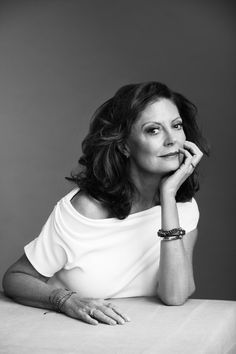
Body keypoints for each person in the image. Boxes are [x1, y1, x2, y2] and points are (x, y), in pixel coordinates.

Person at [2, 81, 209, 326]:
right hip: (68, 334)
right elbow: (15, 277)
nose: (172, 140)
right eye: (153, 130)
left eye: (176, 126)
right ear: (123, 145)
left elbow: (175, 296)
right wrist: (66, 300)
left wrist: (169, 195)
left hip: (141, 337)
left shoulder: (182, 208)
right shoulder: (86, 210)